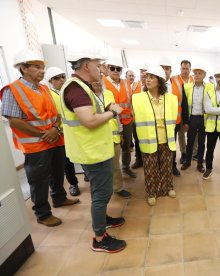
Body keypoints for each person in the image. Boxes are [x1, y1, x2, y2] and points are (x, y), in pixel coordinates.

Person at [0, 50, 79, 227]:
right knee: (38, 180)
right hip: (36, 145)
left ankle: (59, 198)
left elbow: (56, 114)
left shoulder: (44, 88)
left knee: (58, 171)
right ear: (24, 68)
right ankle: (43, 214)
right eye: (37, 67)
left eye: (43, 67)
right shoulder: (12, 90)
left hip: (55, 139)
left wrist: (54, 129)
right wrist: (44, 134)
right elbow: (14, 122)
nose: (43, 71)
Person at [60, 52, 126, 253]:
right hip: (92, 152)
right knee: (101, 194)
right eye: (99, 66)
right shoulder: (76, 89)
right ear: (87, 66)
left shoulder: (81, 87)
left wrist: (106, 107)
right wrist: (113, 112)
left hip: (95, 149)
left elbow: (90, 113)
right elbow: (89, 121)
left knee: (102, 192)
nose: (103, 70)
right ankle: (99, 237)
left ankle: (103, 220)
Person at [132, 66, 178, 206]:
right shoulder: (138, 98)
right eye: (147, 77)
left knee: (166, 165)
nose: (148, 80)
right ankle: (152, 192)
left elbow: (173, 118)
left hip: (166, 137)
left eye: (151, 77)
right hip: (149, 138)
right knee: (150, 167)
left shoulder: (171, 98)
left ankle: (168, 187)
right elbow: (136, 119)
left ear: (159, 81)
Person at [91, 81, 131, 198]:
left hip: (113, 136)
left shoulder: (108, 93)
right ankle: (103, 190)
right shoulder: (86, 95)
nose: (97, 82)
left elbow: (116, 114)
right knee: (100, 168)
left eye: (99, 79)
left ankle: (118, 188)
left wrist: (120, 132)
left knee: (115, 166)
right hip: (96, 138)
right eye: (95, 80)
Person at [45, 66, 81, 196]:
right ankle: (73, 183)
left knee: (82, 154)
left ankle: (87, 175)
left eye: (62, 77)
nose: (61, 80)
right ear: (50, 81)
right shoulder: (48, 95)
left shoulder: (68, 91)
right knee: (67, 161)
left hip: (76, 131)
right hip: (61, 134)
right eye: (57, 78)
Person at [103, 57, 136, 179]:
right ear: (107, 69)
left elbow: (131, 101)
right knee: (112, 149)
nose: (115, 71)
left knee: (126, 147)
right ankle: (113, 174)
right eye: (112, 68)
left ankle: (126, 168)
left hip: (126, 121)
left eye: (118, 69)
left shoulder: (126, 83)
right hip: (110, 122)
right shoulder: (102, 83)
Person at [159, 57, 189, 176]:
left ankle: (172, 166)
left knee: (172, 144)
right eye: (163, 68)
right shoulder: (154, 84)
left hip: (175, 121)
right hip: (159, 122)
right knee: (160, 145)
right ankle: (161, 166)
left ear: (171, 70)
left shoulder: (177, 82)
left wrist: (185, 121)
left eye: (167, 68)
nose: (165, 71)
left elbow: (184, 103)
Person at [180, 64, 213, 173]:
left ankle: (199, 163)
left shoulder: (210, 87)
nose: (197, 75)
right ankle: (187, 162)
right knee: (190, 141)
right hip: (192, 118)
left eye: (200, 73)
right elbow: (185, 106)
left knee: (201, 142)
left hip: (203, 119)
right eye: (196, 73)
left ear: (204, 75)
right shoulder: (187, 87)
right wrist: (186, 121)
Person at [171, 60, 194, 164]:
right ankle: (183, 153)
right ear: (180, 68)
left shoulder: (194, 79)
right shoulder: (173, 79)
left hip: (193, 113)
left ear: (190, 69)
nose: (185, 70)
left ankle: (194, 153)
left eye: (187, 68)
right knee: (181, 134)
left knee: (193, 134)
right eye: (183, 68)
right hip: (179, 113)